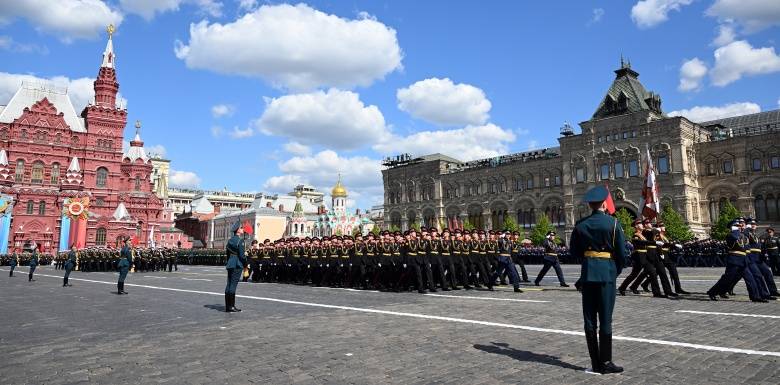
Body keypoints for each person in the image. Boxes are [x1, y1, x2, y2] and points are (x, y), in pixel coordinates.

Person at [569, 185, 625, 374]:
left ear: (590, 205)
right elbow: (622, 254)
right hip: (607, 273)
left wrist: (588, 263)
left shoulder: (580, 225)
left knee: (589, 320)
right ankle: (606, 361)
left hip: (587, 275)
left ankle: (595, 362)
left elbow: (574, 253)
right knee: (606, 319)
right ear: (603, 203)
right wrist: (613, 272)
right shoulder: (614, 224)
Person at [225, 221, 246, 312]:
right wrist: (245, 264)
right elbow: (242, 255)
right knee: (233, 285)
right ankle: (231, 306)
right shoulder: (240, 241)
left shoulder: (230, 240)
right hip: (237, 264)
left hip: (230, 263)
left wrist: (229, 262)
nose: (242, 229)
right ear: (237, 230)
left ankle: (228, 306)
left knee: (229, 284)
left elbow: (227, 254)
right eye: (241, 228)